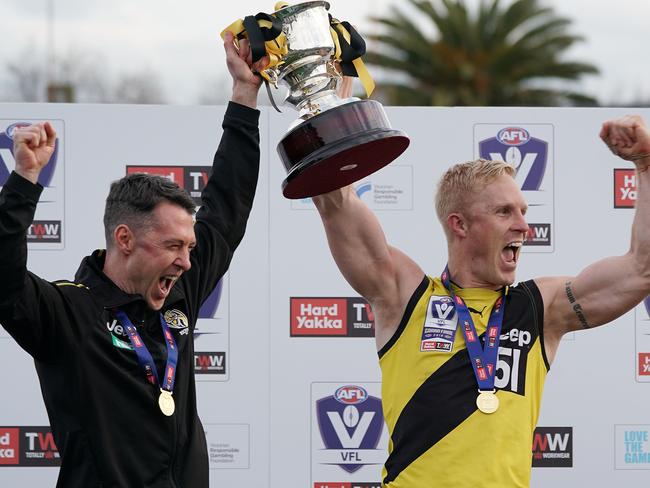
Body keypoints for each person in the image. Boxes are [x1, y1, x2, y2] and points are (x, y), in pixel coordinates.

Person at [312, 103, 650, 486]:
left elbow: (642, 268)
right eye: (505, 212)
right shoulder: (406, 295)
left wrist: (645, 164)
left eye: (523, 211)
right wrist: (329, 101)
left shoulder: (540, 307)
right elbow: (335, 199)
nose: (525, 226)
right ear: (460, 224)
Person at [0, 32, 266, 487]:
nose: (186, 261)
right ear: (124, 238)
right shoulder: (68, 313)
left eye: (189, 247)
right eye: (172, 247)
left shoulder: (177, 292)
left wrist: (244, 95)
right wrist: (25, 181)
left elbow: (226, 208)